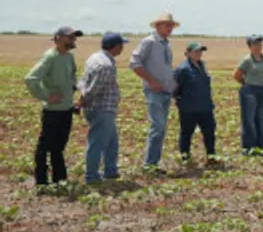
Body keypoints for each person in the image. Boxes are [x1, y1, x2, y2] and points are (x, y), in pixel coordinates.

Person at [26, 26, 83, 187]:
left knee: (59, 147)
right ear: (57, 38)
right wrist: (46, 97)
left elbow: (72, 76)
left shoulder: (69, 57)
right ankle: (42, 181)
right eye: (70, 37)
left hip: (66, 109)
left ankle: (60, 179)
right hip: (52, 111)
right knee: (44, 146)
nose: (73, 40)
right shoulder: (50, 57)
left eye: (74, 37)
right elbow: (31, 79)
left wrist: (75, 89)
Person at [130, 12, 180, 169]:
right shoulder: (149, 42)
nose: (170, 28)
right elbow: (134, 63)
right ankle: (149, 164)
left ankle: (154, 163)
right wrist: (152, 81)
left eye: (171, 25)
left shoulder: (166, 44)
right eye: (167, 25)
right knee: (157, 126)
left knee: (161, 128)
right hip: (154, 91)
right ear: (157, 26)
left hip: (166, 91)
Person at [79, 32, 128, 184]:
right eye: (121, 45)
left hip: (103, 108)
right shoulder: (106, 65)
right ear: (115, 47)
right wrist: (83, 100)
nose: (122, 49)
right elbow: (94, 89)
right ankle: (91, 176)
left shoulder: (94, 58)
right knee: (97, 143)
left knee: (112, 141)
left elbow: (82, 80)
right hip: (102, 108)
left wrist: (82, 95)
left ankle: (110, 170)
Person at [174, 43, 217, 163]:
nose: (199, 54)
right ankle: (185, 157)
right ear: (187, 53)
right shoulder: (183, 69)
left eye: (200, 51)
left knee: (209, 132)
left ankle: (211, 156)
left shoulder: (202, 65)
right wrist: (180, 102)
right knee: (186, 133)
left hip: (205, 107)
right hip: (189, 108)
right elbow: (175, 88)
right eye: (196, 51)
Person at [234, 35, 263, 155]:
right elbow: (237, 75)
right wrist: (245, 83)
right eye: (255, 44)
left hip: (262, 91)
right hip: (249, 91)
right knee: (249, 119)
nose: (258, 46)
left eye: (260, 44)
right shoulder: (247, 60)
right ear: (250, 46)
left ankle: (262, 146)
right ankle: (248, 147)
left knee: (260, 119)